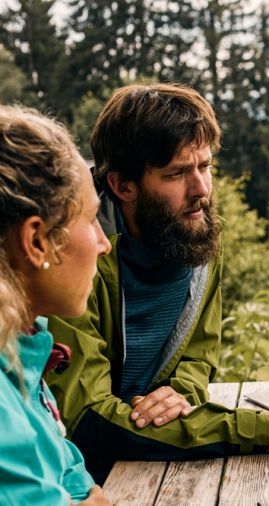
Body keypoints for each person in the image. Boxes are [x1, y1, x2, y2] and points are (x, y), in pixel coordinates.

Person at [45, 83, 269, 484]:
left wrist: (181, 394)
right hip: (74, 475)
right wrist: (258, 430)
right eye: (177, 173)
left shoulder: (196, 236)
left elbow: (198, 356)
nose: (202, 190)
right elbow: (88, 420)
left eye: (205, 167)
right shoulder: (75, 255)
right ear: (123, 186)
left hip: (158, 458)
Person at [0, 105, 112, 504]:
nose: (104, 243)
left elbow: (73, 476)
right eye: (92, 220)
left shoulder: (21, 351)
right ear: (36, 241)